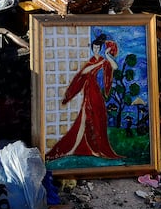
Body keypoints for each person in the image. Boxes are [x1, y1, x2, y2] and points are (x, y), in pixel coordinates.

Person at [46, 33, 121, 161]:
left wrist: (107, 55)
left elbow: (115, 66)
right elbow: (83, 72)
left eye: (98, 48)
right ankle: (73, 147)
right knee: (84, 118)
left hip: (96, 93)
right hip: (89, 91)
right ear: (92, 48)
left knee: (98, 118)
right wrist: (98, 64)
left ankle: (97, 149)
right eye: (94, 48)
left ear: (101, 48)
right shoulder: (92, 61)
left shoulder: (103, 60)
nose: (96, 50)